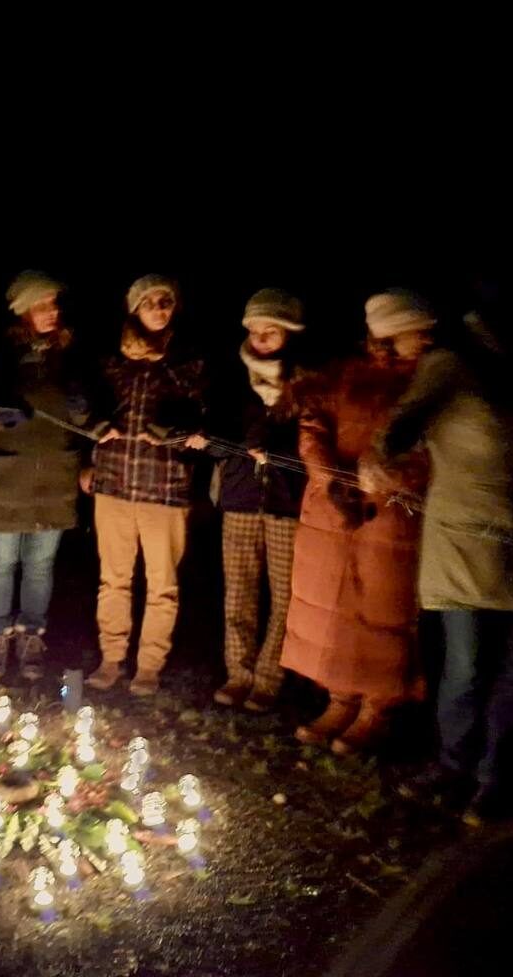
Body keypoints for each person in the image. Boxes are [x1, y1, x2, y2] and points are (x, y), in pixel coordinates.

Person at [376, 294, 513, 822]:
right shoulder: (453, 368)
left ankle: (492, 778)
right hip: (468, 538)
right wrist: (384, 460)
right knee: (466, 667)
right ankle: (452, 765)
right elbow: (399, 427)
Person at [281, 290, 432, 755]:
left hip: (390, 518)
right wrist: (331, 480)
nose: (426, 339)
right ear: (386, 332)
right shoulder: (344, 375)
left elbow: (432, 447)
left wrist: (383, 481)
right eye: (416, 330)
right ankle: (339, 698)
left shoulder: (430, 382)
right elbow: (313, 427)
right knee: (331, 606)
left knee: (381, 609)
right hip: (332, 510)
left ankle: (376, 707)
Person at [84, 275, 206, 696]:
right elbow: (88, 409)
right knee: (113, 579)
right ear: (134, 308)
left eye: (165, 302)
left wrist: (181, 431)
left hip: (165, 489)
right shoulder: (112, 360)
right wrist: (93, 436)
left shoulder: (188, 360)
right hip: (114, 483)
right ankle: (111, 658)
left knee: (162, 586)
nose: (158, 309)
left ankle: (149, 665)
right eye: (149, 302)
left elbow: (202, 421)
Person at [0, 271, 90, 682]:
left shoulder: (69, 355)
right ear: (22, 311)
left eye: (54, 305)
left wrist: (83, 410)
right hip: (3, 479)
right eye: (42, 305)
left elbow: (88, 418)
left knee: (40, 564)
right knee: (0, 563)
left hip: (53, 481)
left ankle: (32, 634)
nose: (52, 312)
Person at [194, 288, 308, 712]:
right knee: (238, 591)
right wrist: (211, 443)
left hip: (286, 501)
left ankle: (269, 678)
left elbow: (313, 442)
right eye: (256, 330)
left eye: (271, 331)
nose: (261, 339)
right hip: (240, 496)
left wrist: (277, 451)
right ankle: (238, 674)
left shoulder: (305, 381)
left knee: (284, 596)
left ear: (289, 334)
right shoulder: (232, 378)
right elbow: (217, 434)